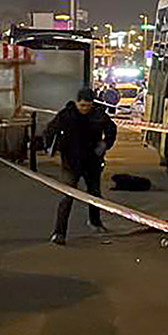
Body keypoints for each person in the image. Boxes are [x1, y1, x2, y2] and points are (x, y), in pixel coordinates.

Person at [46, 87, 117, 245]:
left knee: (94, 194)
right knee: (67, 197)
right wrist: (50, 147)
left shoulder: (98, 115)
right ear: (77, 102)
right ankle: (59, 232)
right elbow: (50, 131)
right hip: (71, 163)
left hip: (92, 162)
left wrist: (105, 144)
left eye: (88, 105)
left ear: (92, 104)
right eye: (82, 105)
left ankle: (95, 222)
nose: (84, 109)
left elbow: (112, 129)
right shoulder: (67, 115)